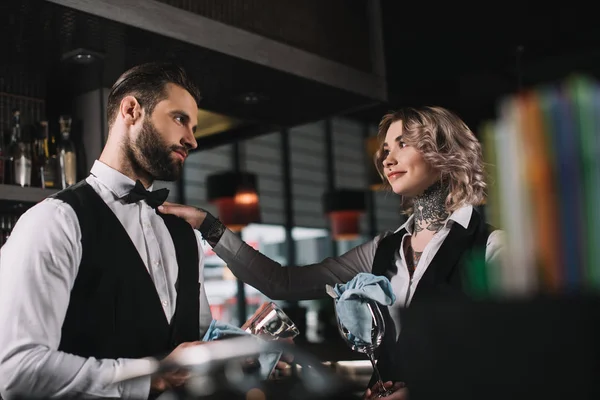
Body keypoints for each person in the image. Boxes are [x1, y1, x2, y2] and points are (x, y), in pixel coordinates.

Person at [159, 106, 505, 398]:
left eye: (403, 144)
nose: (388, 158)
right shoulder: (383, 249)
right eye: (385, 148)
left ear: (444, 151)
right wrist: (208, 226)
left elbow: (505, 357)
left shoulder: (491, 248)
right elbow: (283, 282)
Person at [0, 62, 213, 400]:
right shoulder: (54, 222)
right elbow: (18, 371)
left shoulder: (185, 234)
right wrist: (152, 378)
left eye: (193, 126)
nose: (192, 140)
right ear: (132, 110)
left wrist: (244, 347)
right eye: (179, 119)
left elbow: (197, 342)